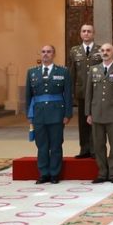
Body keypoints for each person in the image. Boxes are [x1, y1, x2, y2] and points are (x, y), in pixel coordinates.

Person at [25, 45, 73, 184]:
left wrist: (67, 114)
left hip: (57, 113)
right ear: (40, 54)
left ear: (54, 54)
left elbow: (68, 94)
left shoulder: (63, 72)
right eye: (43, 52)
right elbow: (28, 95)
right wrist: (29, 114)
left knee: (56, 145)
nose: (46, 54)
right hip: (38, 114)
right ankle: (44, 173)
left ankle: (54, 174)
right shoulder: (32, 72)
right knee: (42, 145)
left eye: (49, 52)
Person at [84, 43, 113, 184]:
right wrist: (88, 113)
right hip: (97, 112)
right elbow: (89, 93)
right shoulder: (93, 70)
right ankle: (102, 173)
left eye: (108, 50)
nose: (105, 52)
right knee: (99, 145)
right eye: (103, 50)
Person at [68, 24, 101, 159]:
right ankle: (84, 148)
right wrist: (70, 91)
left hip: (97, 91)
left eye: (89, 31)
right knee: (82, 122)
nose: (86, 33)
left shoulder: (100, 50)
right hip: (81, 91)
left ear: (93, 34)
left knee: (95, 121)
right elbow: (72, 72)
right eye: (84, 31)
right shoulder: (74, 51)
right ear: (80, 34)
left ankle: (94, 149)